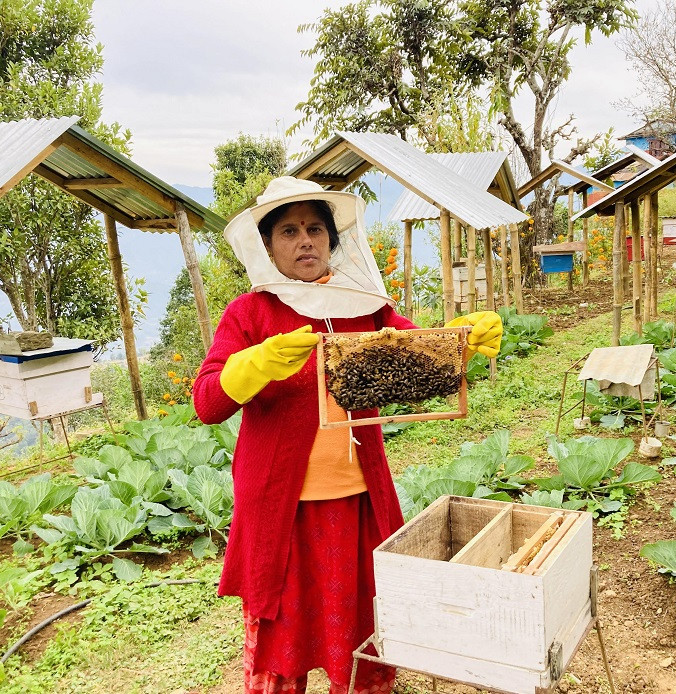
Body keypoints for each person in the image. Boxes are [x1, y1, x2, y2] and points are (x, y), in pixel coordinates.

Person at [193, 176, 502, 694]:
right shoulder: (249, 313)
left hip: (356, 499)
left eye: (316, 228)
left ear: (333, 241)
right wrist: (255, 363)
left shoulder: (364, 306)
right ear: (268, 246)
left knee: (360, 624)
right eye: (289, 231)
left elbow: (419, 356)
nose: (305, 240)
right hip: (280, 508)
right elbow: (207, 402)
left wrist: (462, 342)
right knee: (283, 637)